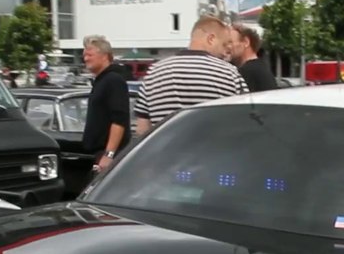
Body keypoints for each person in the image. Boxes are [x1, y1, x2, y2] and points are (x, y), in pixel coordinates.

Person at [133, 16, 248, 138]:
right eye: (224, 45)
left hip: (166, 155)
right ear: (211, 39)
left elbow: (142, 129)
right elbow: (245, 122)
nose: (225, 52)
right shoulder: (230, 73)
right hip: (215, 153)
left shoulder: (154, 72)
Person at [80, 35, 131, 176]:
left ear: (105, 56)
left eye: (90, 54)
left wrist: (109, 154)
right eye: (84, 55)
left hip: (108, 154)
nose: (85, 59)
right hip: (98, 152)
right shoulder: (100, 81)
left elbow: (119, 120)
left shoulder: (113, 80)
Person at [231, 24, 278, 92]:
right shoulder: (261, 67)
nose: (228, 46)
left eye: (230, 42)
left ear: (246, 42)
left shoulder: (246, 71)